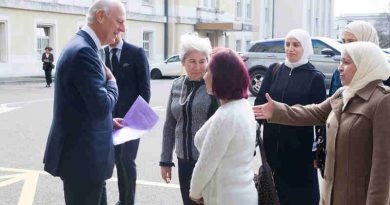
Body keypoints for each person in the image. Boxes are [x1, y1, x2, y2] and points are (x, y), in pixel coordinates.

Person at [254, 41, 390, 205]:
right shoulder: (343, 93)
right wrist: (277, 111)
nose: (340, 67)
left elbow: (382, 169)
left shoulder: (383, 101)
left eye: (346, 62)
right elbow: (315, 112)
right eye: (340, 61)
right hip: (331, 195)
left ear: (365, 65)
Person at [43, 1, 125, 204]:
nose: (122, 28)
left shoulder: (86, 46)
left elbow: (84, 105)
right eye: (120, 21)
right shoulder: (84, 52)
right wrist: (113, 82)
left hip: (86, 161)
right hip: (83, 162)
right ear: (100, 16)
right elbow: (101, 107)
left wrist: (107, 121)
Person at [254, 28, 326, 205]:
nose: (290, 49)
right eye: (287, 44)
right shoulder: (274, 70)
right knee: (272, 195)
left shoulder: (314, 77)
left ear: (306, 48)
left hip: (299, 151)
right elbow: (259, 104)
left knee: (298, 198)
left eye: (296, 45)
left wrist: (319, 152)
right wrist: (254, 132)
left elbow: (321, 117)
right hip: (272, 150)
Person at [189, 48, 257, 205]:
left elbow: (206, 163)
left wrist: (194, 192)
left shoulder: (226, 116)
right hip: (243, 193)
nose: (204, 76)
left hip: (225, 197)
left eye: (208, 72)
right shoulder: (242, 106)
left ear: (221, 78)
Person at [159, 33, 218, 205]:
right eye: (192, 61)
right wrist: (165, 160)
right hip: (183, 160)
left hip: (207, 161)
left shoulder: (213, 86)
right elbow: (169, 125)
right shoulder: (177, 85)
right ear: (183, 62)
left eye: (202, 61)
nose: (198, 67)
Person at [104, 33, 151, 205]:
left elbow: (145, 90)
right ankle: (122, 200)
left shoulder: (136, 53)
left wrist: (137, 118)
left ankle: (129, 202)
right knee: (117, 160)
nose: (113, 35)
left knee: (126, 159)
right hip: (111, 118)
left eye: (117, 31)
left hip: (133, 118)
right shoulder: (101, 55)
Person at [329, 20, 390, 96]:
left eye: (351, 41)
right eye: (343, 41)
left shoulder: (384, 74)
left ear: (367, 41)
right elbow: (331, 103)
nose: (346, 46)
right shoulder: (339, 72)